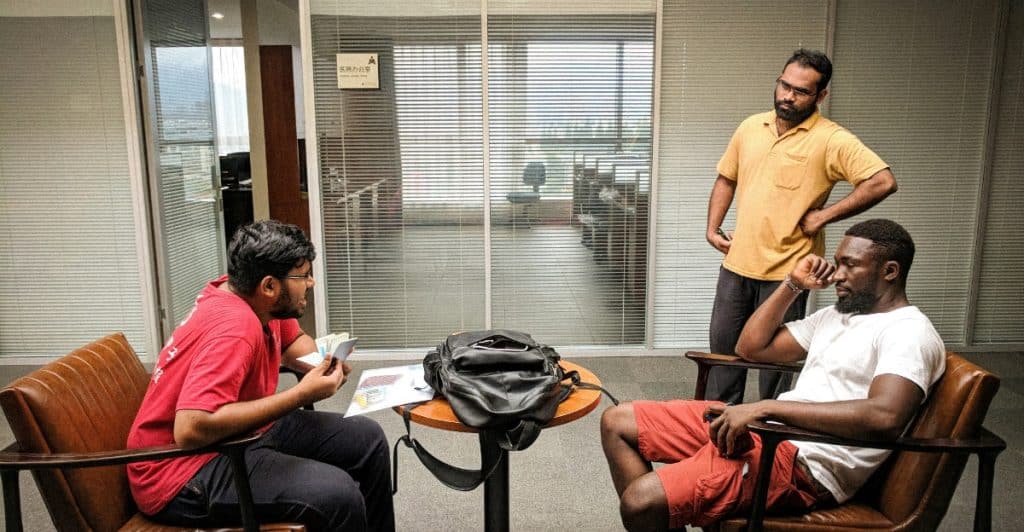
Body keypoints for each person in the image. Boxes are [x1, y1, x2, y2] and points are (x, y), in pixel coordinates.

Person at [601, 219, 945, 531]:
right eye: (838, 262)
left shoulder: (908, 332)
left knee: (639, 503)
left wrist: (766, 409)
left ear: (890, 271)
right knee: (618, 421)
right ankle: (672, 509)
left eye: (850, 265)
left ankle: (664, 509)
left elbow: (884, 416)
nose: (837, 274)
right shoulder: (835, 316)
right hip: (769, 434)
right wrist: (793, 284)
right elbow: (751, 348)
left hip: (806, 466)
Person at [127, 220, 395, 532]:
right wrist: (301, 394)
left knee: (367, 438)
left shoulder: (253, 297)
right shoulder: (235, 328)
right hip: (182, 470)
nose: (311, 283)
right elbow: (190, 428)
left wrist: (323, 363)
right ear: (269, 286)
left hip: (239, 432)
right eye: (303, 276)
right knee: (338, 494)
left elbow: (293, 342)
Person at [706, 48, 898, 404]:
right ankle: (719, 431)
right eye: (784, 85)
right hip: (738, 263)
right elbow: (726, 179)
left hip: (788, 273)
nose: (787, 96)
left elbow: (882, 181)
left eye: (800, 91)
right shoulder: (751, 127)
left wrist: (825, 216)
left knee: (773, 364)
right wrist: (713, 227)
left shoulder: (831, 139)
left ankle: (771, 430)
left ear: (821, 95)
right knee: (724, 356)